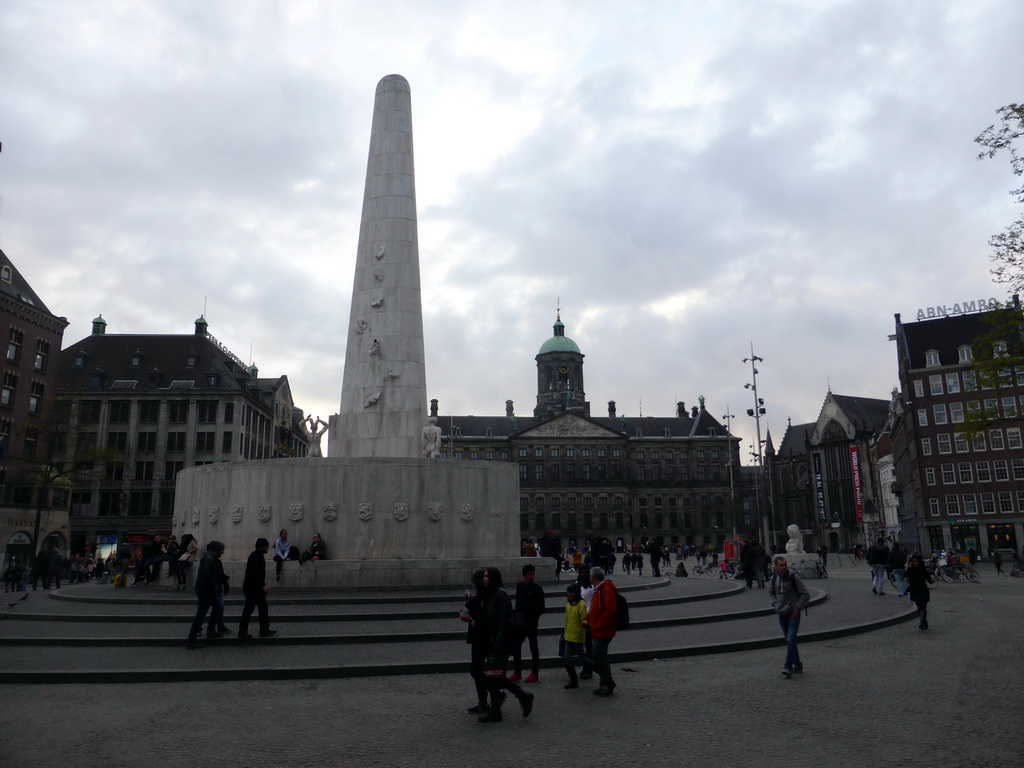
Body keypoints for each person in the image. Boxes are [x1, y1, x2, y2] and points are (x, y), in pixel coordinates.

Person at [477, 567, 534, 723]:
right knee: (494, 676)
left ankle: (502, 707)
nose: (484, 579)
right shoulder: (490, 594)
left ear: (494, 578)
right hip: (492, 640)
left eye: (487, 576)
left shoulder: (501, 595)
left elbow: (504, 620)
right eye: (484, 576)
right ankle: (520, 698)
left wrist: (499, 642)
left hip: (500, 642)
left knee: (494, 676)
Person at [768, 555, 810, 677]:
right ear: (776, 567)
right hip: (782, 613)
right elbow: (771, 592)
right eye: (781, 565)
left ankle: (787, 667)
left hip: (793, 613)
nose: (784, 567)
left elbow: (805, 594)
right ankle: (797, 663)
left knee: (790, 639)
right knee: (789, 640)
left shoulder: (793, 577)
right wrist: (775, 604)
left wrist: (797, 609)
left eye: (785, 564)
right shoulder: (774, 578)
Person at [185, 540, 226, 649]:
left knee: (217, 606)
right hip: (205, 589)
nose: (222, 553)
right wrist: (215, 586)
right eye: (221, 551)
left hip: (207, 588)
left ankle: (211, 630)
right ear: (217, 550)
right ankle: (191, 639)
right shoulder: (209, 559)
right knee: (201, 613)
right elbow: (207, 575)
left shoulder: (210, 558)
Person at [509, 563, 545, 683]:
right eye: (530, 574)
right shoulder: (520, 586)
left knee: (533, 647)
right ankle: (517, 671)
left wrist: (533, 618)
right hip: (520, 621)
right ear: (524, 575)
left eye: (533, 574)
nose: (532, 577)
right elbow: (518, 602)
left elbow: (541, 608)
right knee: (516, 647)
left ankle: (535, 672)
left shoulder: (537, 589)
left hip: (531, 622)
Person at [586, 566, 618, 696]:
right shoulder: (598, 590)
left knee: (597, 654)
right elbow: (595, 610)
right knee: (601, 655)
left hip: (603, 630)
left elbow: (610, 611)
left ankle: (608, 683)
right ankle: (604, 684)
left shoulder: (606, 590)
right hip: (598, 629)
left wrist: (598, 625)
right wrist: (586, 619)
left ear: (592, 577)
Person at [461, 570, 490, 714]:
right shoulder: (482, 596)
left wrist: (470, 619)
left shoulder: (485, 598)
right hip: (479, 637)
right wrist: (469, 600)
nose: (471, 584)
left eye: (473, 581)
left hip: (481, 638)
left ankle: (488, 698)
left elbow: (482, 619)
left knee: (476, 670)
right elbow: (477, 607)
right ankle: (484, 700)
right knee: (476, 670)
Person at [238, 538, 277, 639]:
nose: (268, 547)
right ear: (262, 546)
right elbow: (256, 574)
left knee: (263, 608)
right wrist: (263, 585)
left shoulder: (257, 556)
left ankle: (264, 629)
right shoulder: (256, 557)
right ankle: (242, 631)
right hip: (252, 588)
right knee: (249, 610)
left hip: (255, 588)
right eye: (266, 546)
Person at [562, 583, 595, 688]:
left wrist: (586, 625)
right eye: (568, 593)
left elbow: (584, 619)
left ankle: (597, 668)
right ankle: (573, 681)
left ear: (576, 593)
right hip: (568, 636)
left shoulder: (581, 605)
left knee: (582, 658)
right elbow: (567, 620)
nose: (569, 595)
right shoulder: (568, 604)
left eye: (571, 593)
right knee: (567, 659)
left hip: (577, 637)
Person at [904, 554, 935, 630]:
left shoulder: (923, 569)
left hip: (923, 589)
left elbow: (929, 580)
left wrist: (932, 581)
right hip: (914, 590)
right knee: (920, 607)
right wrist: (909, 568)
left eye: (916, 561)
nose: (915, 563)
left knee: (923, 606)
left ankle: (922, 622)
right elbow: (904, 575)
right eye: (913, 561)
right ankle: (924, 623)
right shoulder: (910, 569)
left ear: (919, 562)